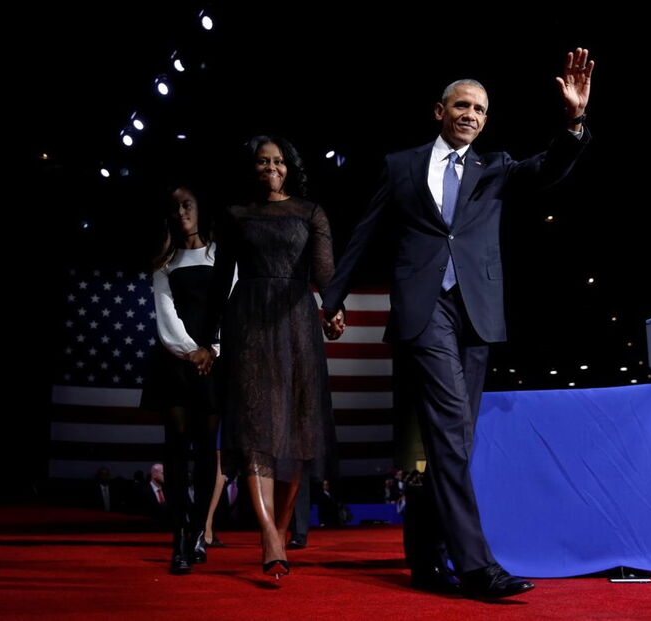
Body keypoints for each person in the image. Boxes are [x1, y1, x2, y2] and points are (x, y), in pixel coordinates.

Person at [321, 48, 594, 599]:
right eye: (461, 105)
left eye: (480, 109)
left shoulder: (495, 169)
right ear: (439, 111)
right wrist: (332, 297)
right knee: (448, 433)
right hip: (425, 312)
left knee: (456, 444)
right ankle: (476, 566)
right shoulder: (401, 166)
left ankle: (423, 560)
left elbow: (549, 168)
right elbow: (365, 233)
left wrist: (574, 122)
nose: (470, 114)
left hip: (477, 314)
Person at [202, 135, 343, 579]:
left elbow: (325, 274)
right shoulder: (235, 214)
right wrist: (206, 337)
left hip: (298, 322)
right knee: (256, 427)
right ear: (252, 168)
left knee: (298, 431)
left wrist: (334, 312)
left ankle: (281, 529)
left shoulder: (310, 212)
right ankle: (267, 533)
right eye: (263, 162)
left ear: (289, 167)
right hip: (249, 324)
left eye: (279, 162)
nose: (271, 168)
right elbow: (221, 277)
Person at [141, 184, 228, 574]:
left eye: (187, 204)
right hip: (176, 363)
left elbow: (232, 305)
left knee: (207, 448)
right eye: (174, 207)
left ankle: (197, 531)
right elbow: (165, 313)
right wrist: (192, 349)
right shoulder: (165, 261)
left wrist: (213, 349)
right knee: (176, 447)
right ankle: (178, 534)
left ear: (200, 207)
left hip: (215, 361)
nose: (181, 213)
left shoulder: (223, 255)